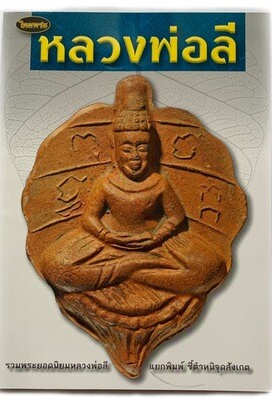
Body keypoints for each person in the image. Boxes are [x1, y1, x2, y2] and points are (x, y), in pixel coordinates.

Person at [41, 110, 227, 296]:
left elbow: (176, 216)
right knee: (55, 267)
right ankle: (133, 268)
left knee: (211, 269)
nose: (135, 156)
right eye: (127, 149)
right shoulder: (105, 183)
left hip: (155, 243)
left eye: (143, 148)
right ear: (114, 151)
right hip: (109, 243)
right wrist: (107, 236)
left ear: (152, 151)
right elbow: (89, 217)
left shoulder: (159, 183)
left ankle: (132, 273)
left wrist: (158, 236)